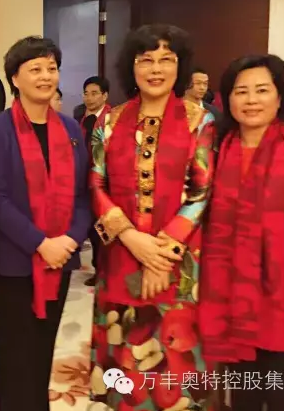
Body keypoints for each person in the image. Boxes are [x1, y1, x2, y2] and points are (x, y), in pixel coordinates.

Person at [88, 24, 216, 410]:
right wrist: (131, 238)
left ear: (180, 66)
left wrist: (161, 253)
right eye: (146, 60)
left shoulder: (200, 121)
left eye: (166, 60)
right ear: (132, 67)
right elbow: (96, 184)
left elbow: (201, 190)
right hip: (120, 255)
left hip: (178, 263)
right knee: (124, 359)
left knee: (174, 359)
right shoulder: (109, 122)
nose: (156, 69)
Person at [199, 54, 284, 411]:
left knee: (283, 395)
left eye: (262, 90)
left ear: (280, 95)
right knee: (242, 396)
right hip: (229, 297)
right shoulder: (216, 151)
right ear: (228, 98)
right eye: (241, 91)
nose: (251, 100)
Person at [0, 36, 91, 411]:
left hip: (60, 261)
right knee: (15, 358)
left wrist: (70, 241)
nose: (45, 76)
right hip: (13, 264)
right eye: (35, 69)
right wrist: (41, 243)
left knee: (43, 352)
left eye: (51, 68)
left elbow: (82, 194)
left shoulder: (71, 130)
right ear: (15, 78)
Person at [80, 76, 112, 286]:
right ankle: (98, 268)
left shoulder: (112, 118)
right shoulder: (82, 118)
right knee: (92, 229)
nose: (89, 98)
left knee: (105, 229)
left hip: (106, 184)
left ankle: (106, 271)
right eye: (86, 93)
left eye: (94, 93)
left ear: (104, 95)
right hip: (86, 182)